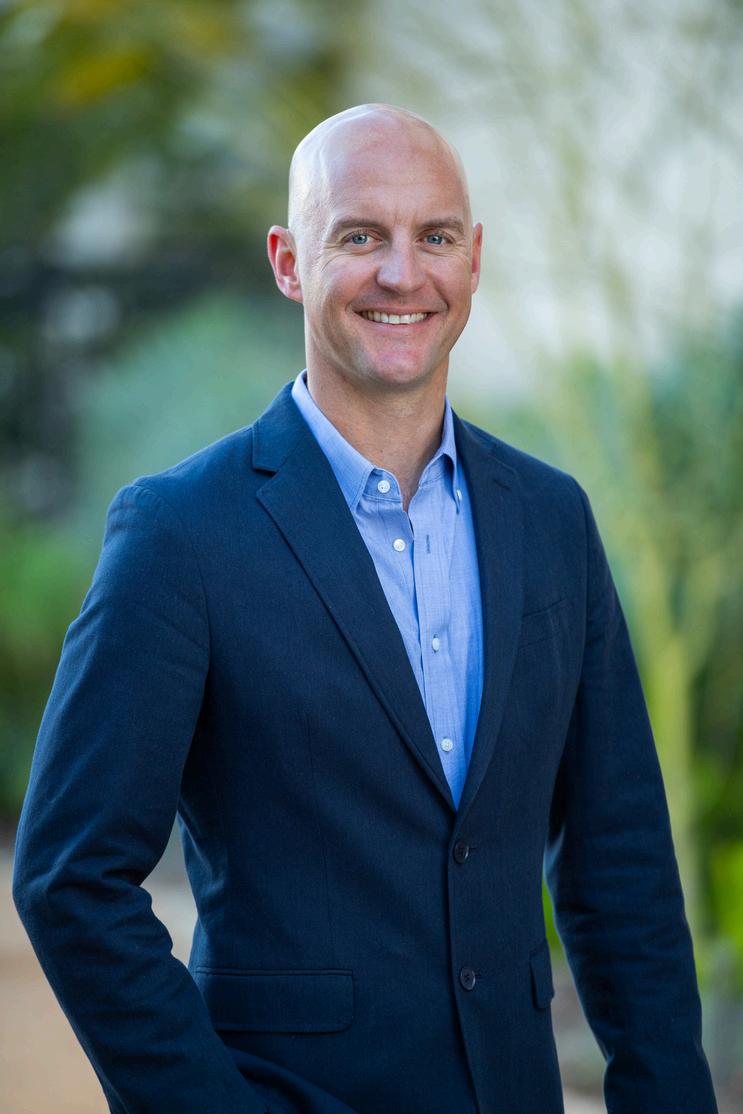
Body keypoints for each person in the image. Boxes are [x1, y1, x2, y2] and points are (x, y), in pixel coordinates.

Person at [12, 104, 717, 1114]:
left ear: (474, 259)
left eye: (434, 236)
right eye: (357, 236)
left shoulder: (551, 519)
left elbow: (621, 865)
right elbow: (68, 878)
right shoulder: (180, 534)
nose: (401, 272)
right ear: (288, 262)